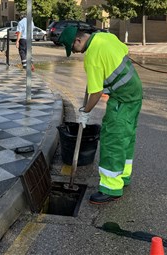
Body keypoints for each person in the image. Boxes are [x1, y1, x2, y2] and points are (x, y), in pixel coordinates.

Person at [58, 26, 143, 204]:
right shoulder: (104, 37)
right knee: (126, 137)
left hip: (122, 99)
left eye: (73, 49)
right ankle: (123, 177)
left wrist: (85, 112)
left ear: (79, 41)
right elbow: (123, 51)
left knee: (113, 139)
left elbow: (95, 94)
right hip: (135, 91)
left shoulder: (92, 57)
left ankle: (111, 187)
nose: (75, 53)